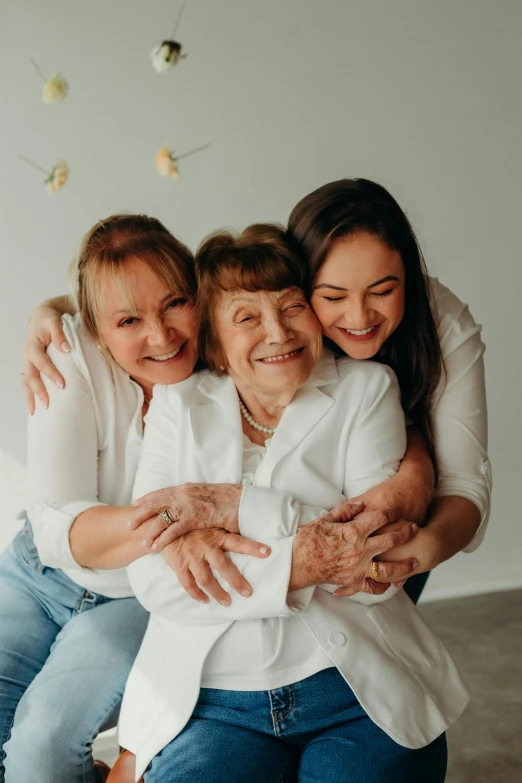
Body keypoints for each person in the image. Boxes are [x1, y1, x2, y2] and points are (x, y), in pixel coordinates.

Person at [117, 224, 468, 783]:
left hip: (353, 687)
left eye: (292, 306)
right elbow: (155, 581)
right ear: (215, 344)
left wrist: (233, 510)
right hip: (211, 703)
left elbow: (372, 571)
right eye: (247, 317)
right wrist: (301, 561)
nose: (277, 331)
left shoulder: (366, 390)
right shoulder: (176, 407)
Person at [0, 214, 272, 783]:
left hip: (139, 598)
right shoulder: (69, 355)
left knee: (42, 746)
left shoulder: (238, 366)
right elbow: (55, 531)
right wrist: (185, 511)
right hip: (38, 574)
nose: (161, 335)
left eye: (175, 303)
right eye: (129, 320)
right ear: (99, 330)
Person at [287, 178, 491, 601]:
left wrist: (420, 551)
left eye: (382, 291)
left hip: (401, 540)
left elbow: (465, 483)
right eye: (333, 297)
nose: (360, 316)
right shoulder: (273, 328)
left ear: (409, 278)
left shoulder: (443, 323)